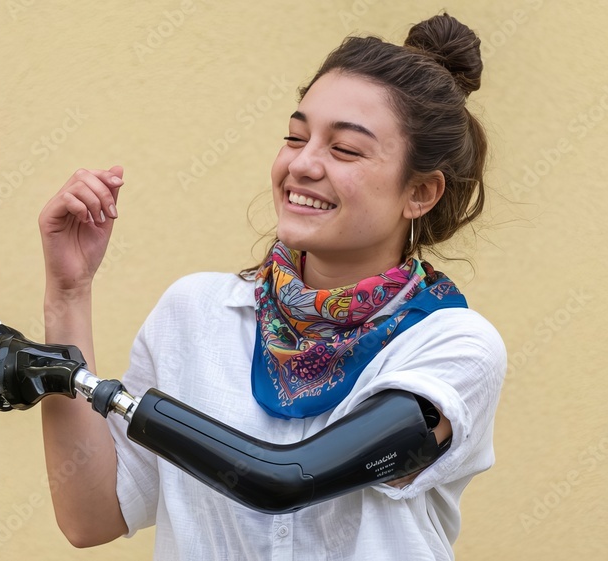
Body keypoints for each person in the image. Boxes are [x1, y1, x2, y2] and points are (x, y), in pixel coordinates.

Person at [35, 12, 506, 560]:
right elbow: (91, 517)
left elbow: (285, 478)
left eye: (345, 150)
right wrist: (68, 294)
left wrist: (103, 393)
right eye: (295, 137)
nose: (302, 164)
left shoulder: (454, 346)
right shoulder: (193, 313)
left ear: (420, 192)